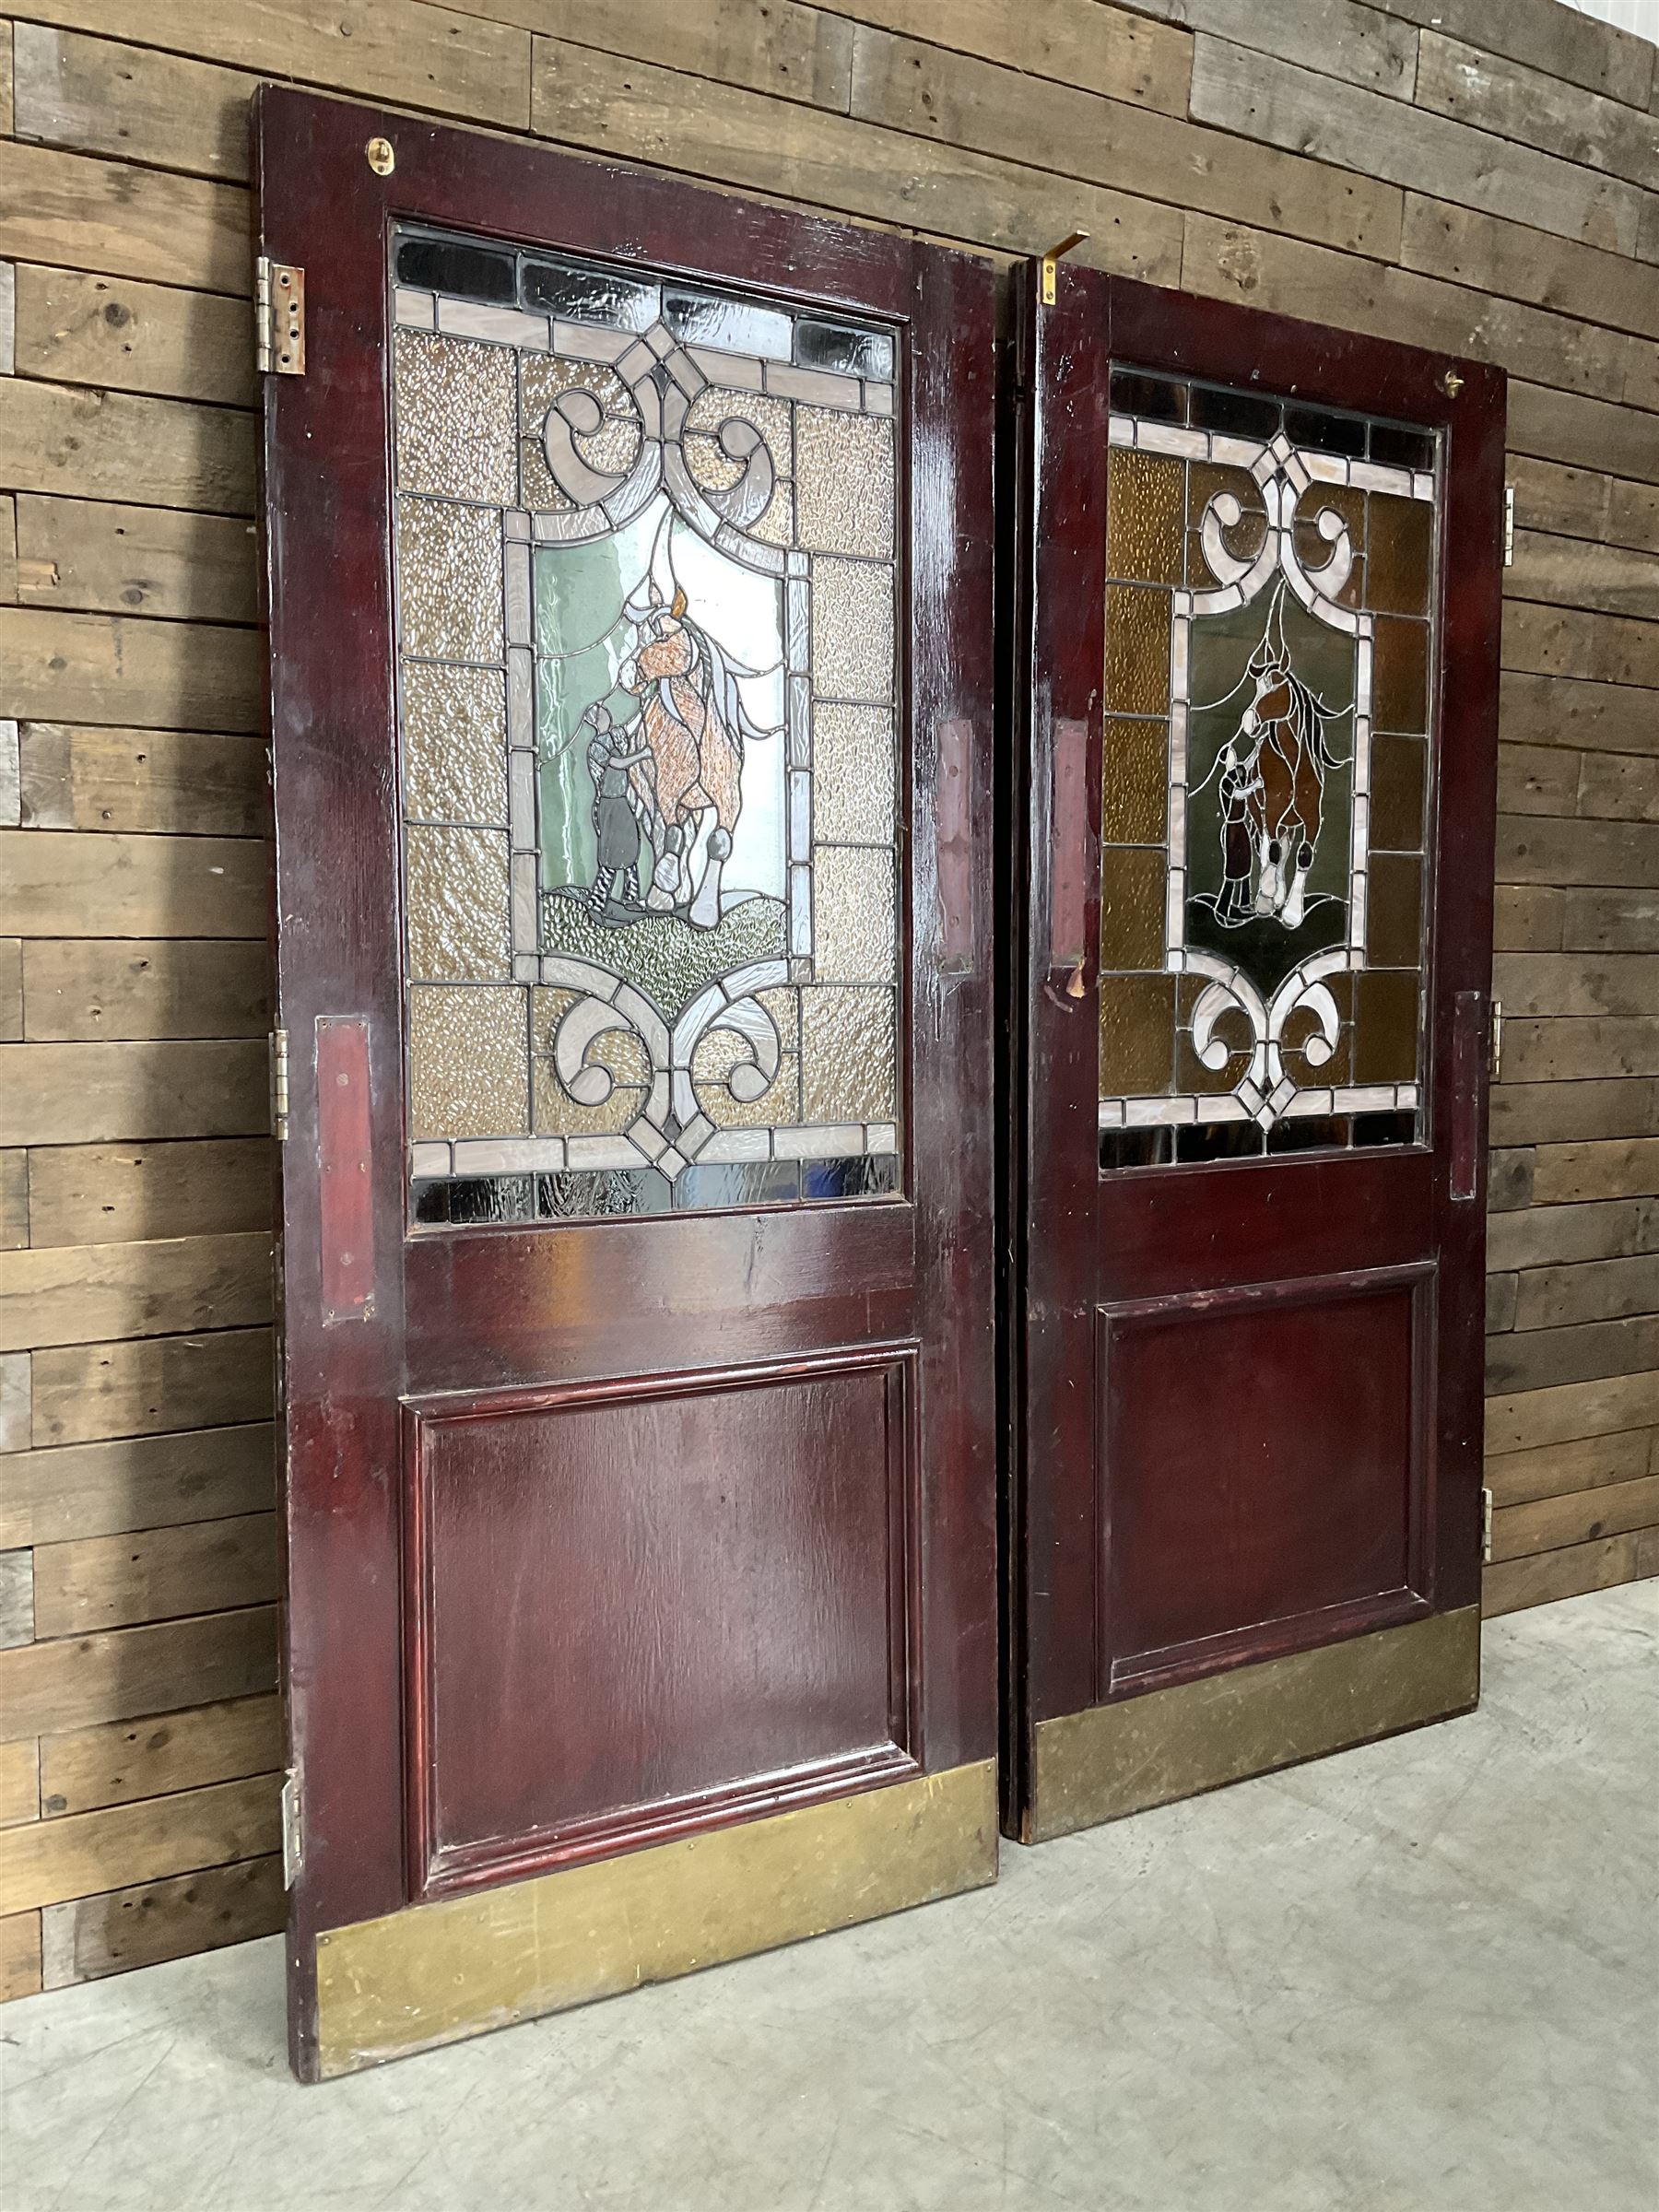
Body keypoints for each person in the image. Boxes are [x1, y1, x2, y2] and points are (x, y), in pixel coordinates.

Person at [582, 701, 652, 922]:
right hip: (609, 805)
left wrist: (647, 705)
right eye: (602, 712)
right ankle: (597, 901)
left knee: (631, 848)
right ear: (596, 720)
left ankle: (630, 896)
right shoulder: (596, 747)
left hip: (621, 801)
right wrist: (643, 754)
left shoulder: (614, 735)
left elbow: (631, 726)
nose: (607, 713)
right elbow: (618, 763)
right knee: (610, 855)